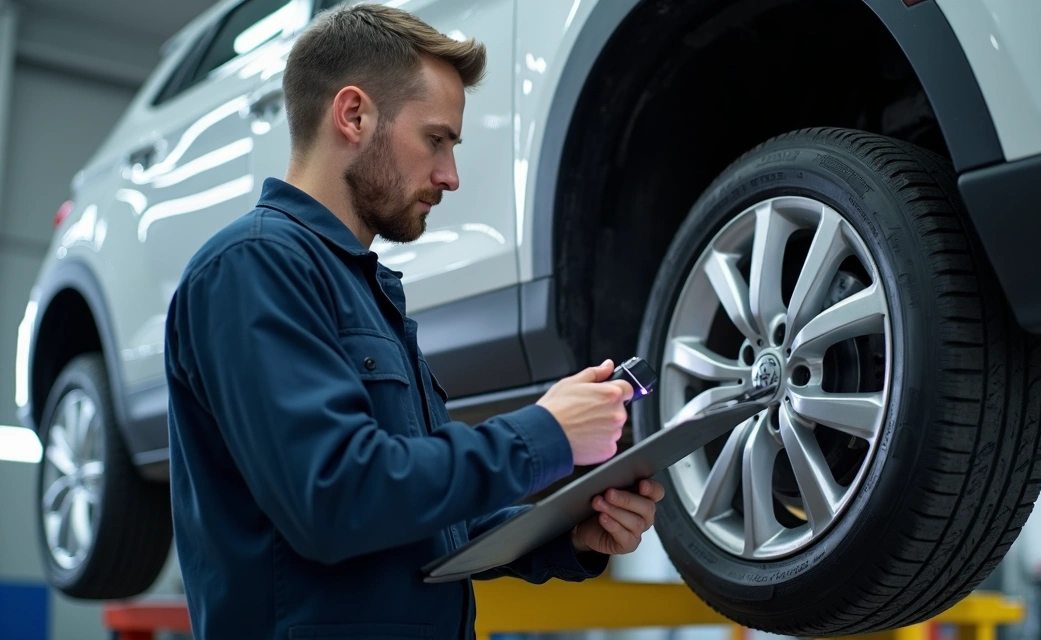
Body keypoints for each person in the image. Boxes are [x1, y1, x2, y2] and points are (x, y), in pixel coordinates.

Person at [162, 4, 665, 639]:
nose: (449, 176)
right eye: (436, 139)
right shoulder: (252, 267)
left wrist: (573, 535)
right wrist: (545, 434)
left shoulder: (362, 289)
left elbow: (419, 522)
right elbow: (336, 498)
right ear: (353, 115)